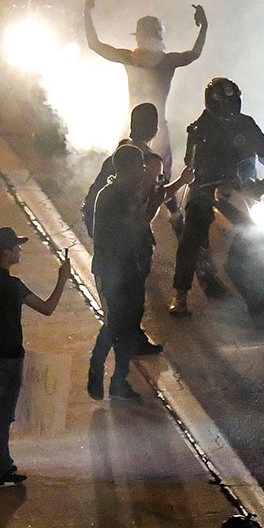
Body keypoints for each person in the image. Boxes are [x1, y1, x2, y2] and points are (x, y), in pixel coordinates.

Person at [173, 78, 264, 316]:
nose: (230, 108)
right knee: (193, 231)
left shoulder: (246, 124)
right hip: (209, 187)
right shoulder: (199, 129)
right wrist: (207, 175)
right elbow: (191, 161)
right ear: (213, 104)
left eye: (233, 102)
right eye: (224, 104)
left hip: (243, 186)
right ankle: (180, 295)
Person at [0, 225, 65, 487]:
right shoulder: (14, 285)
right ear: (6, 252)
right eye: (17, 246)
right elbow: (47, 308)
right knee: (2, 415)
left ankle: (3, 462)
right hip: (9, 356)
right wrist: (63, 279)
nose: (20, 250)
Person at [83, 0, 210, 173]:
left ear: (139, 37)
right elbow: (194, 53)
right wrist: (204, 26)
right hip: (154, 126)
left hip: (133, 126)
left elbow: (95, 45)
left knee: (121, 171)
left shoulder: (132, 58)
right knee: (160, 175)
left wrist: (87, 12)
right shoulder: (167, 61)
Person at [84, 130, 163, 399]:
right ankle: (96, 368)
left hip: (130, 269)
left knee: (130, 327)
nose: (144, 172)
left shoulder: (126, 191)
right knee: (115, 325)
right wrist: (155, 203)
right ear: (126, 170)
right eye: (140, 168)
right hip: (111, 273)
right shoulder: (110, 198)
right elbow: (138, 225)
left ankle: (120, 382)